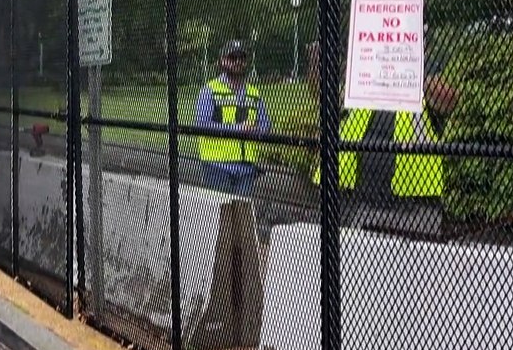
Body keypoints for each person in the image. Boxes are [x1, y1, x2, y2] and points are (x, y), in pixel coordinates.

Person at [306, 37, 456, 236]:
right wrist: (318, 61)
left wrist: (411, 69)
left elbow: (450, 101)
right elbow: (325, 94)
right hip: (359, 199)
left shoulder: (430, 66)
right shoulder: (366, 71)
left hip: (413, 206)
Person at [194, 40, 271, 197]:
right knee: (221, 218)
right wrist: (238, 129)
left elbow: (266, 124)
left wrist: (256, 130)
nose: (238, 62)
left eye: (241, 58)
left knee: (242, 217)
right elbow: (202, 125)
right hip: (217, 166)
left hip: (246, 169)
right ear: (223, 60)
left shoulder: (253, 93)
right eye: (233, 57)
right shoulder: (210, 90)